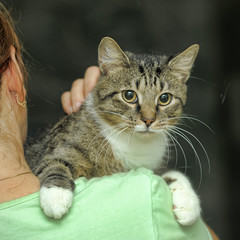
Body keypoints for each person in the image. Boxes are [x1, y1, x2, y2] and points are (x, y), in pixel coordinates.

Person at [0, 3, 219, 240]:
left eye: (163, 99)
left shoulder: (151, 168)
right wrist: (56, 181)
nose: (148, 117)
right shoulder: (87, 132)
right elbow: (54, 160)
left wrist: (174, 184)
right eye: (129, 95)